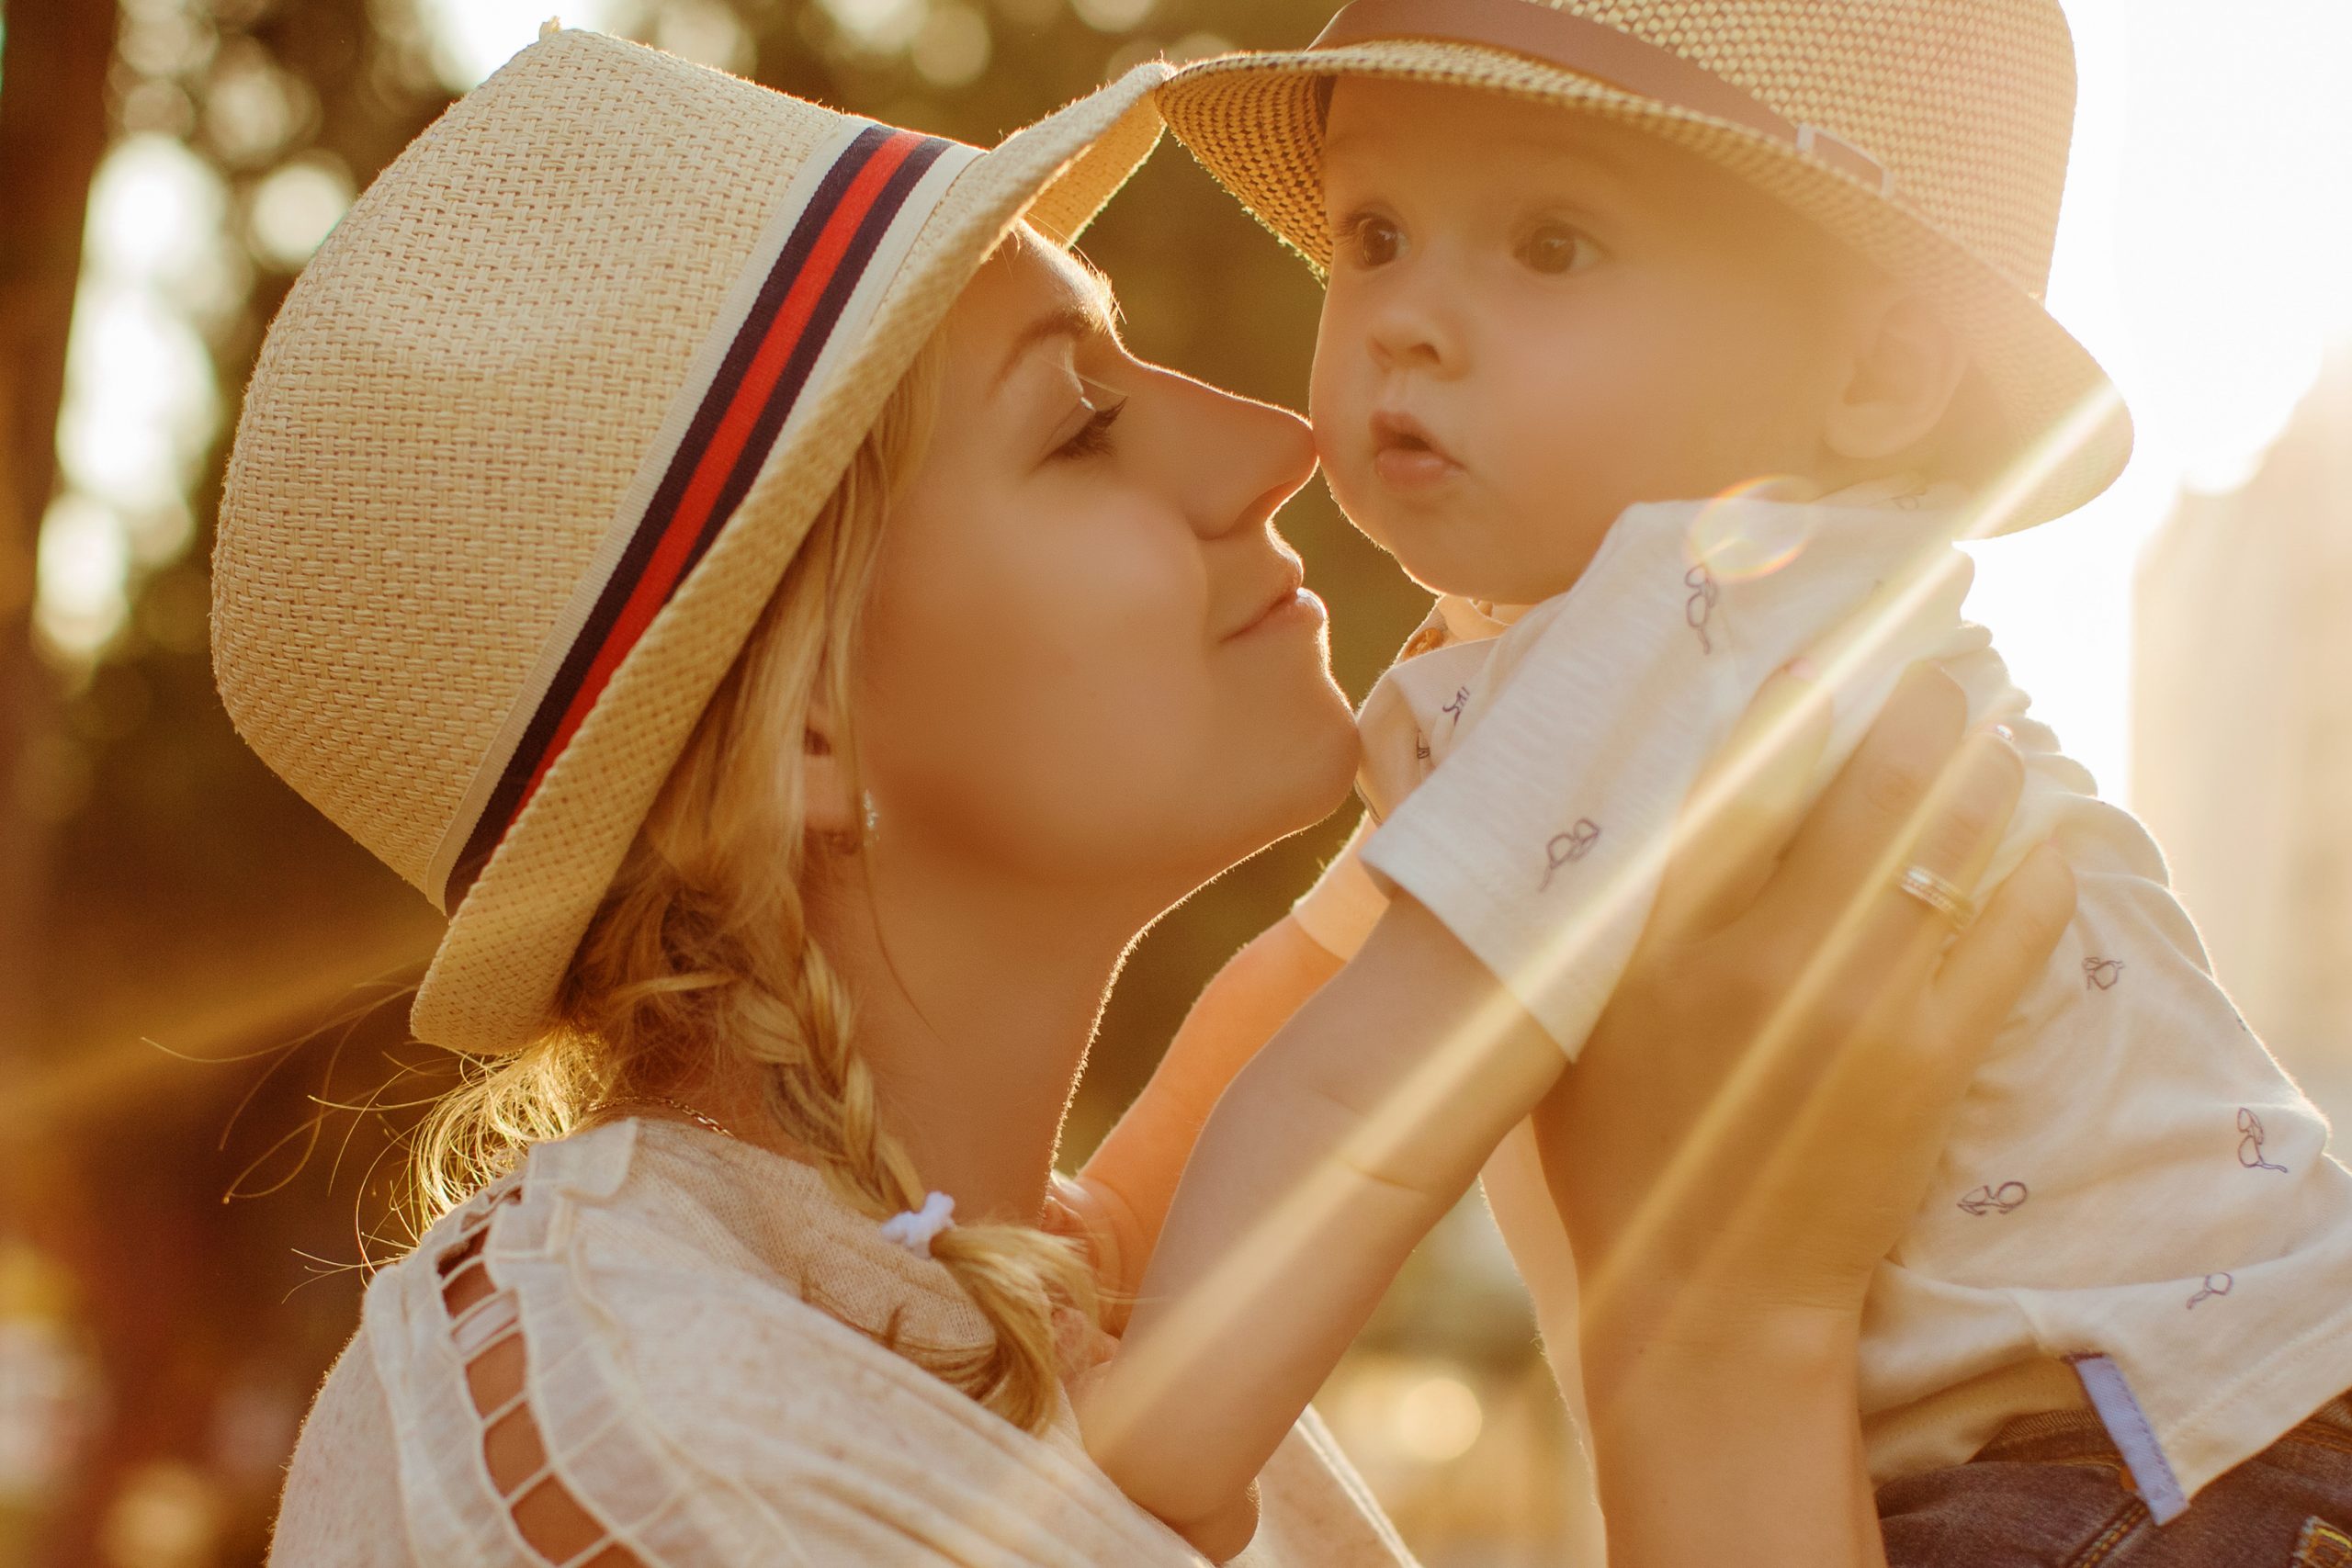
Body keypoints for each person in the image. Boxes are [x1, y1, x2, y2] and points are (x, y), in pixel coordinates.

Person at [222, 28, 2068, 1568]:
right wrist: (1709, 1336)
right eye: (1078, 419)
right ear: (803, 733)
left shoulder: (1003, 1333)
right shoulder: (669, 1465)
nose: (1274, 438)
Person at [1080, 1, 2352, 1562]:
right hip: (2180, 1429)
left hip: (2151, 1454)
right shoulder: (1609, 653)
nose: (1406, 317)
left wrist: (1152, 1454)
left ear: (1879, 374)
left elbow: (1367, 1094)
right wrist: (1105, 1229)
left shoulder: (1698, 603)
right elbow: (1312, 982)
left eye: (1551, 245)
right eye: (1378, 232)